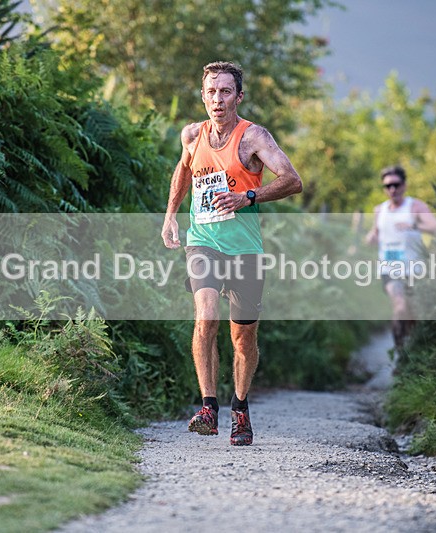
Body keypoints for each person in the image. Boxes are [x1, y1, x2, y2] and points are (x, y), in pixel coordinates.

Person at [161, 61, 303, 446]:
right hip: (203, 240)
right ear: (203, 95)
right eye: (211, 91)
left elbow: (293, 180)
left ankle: (240, 408)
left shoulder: (253, 137)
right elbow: (183, 170)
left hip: (245, 249)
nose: (217, 99)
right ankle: (209, 407)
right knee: (205, 318)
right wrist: (171, 215)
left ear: (238, 96)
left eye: (225, 92)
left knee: (243, 338)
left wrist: (248, 196)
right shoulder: (192, 134)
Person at [366, 165, 436, 352]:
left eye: (396, 185)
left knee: (413, 315)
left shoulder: (415, 206)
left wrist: (414, 225)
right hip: (390, 270)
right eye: (387, 186)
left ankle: (413, 355)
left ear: (404, 185)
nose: (392, 189)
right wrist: (370, 238)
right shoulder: (379, 210)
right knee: (399, 305)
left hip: (415, 270)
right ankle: (399, 354)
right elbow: (374, 234)